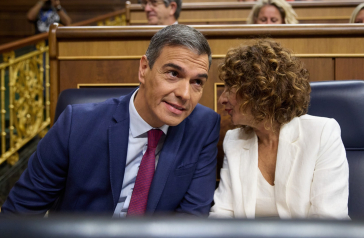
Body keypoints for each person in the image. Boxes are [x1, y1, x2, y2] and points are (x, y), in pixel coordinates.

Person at [1, 24, 220, 217]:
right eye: (173, 73)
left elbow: (191, 218)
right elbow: (20, 213)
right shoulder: (76, 124)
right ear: (144, 69)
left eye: (197, 82)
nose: (185, 93)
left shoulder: (203, 126)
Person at [209, 39, 349, 219]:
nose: (222, 99)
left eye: (230, 88)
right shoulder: (234, 140)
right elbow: (222, 214)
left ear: (258, 91)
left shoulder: (322, 133)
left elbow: (328, 221)